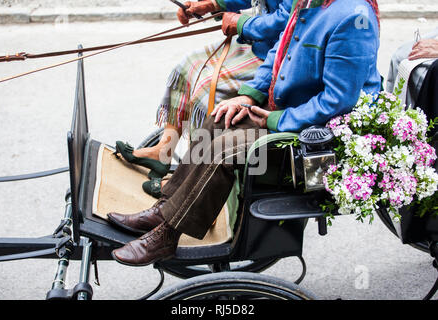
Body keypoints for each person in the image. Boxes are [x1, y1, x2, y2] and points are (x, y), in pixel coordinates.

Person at [108, 0, 382, 266]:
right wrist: (248, 97)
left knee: (225, 150)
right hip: (290, 111)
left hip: (317, 139)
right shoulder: (310, 2)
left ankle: (167, 235)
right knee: (220, 118)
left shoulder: (353, 17)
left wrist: (276, 120)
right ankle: (165, 209)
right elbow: (279, 53)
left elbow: (338, 101)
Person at [114, 0, 294, 195]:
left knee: (206, 89)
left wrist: (242, 23)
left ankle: (191, 180)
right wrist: (212, 4)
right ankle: (163, 151)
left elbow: (286, 20)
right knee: (187, 65)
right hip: (258, 43)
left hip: (278, 58)